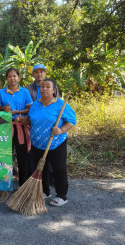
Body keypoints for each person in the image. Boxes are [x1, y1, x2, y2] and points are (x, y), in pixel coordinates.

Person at [19, 78, 76, 206]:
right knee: (40, 169)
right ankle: (45, 191)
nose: (44, 88)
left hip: (56, 143)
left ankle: (62, 195)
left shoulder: (61, 105)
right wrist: (23, 120)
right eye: (42, 86)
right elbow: (30, 120)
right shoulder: (35, 104)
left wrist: (61, 129)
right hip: (37, 143)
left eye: (47, 86)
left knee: (58, 168)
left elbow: (72, 121)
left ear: (54, 89)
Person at [0, 68, 33, 186]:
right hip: (4, 126)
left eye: (14, 76)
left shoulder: (25, 92)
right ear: (6, 78)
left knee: (23, 156)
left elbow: (29, 108)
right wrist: (3, 109)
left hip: (20, 125)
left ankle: (23, 184)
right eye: (9, 76)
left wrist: (17, 112)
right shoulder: (1, 92)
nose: (12, 78)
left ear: (18, 78)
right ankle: (4, 183)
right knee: (4, 154)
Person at [25, 63, 59, 181]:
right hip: (33, 124)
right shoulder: (28, 89)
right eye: (37, 72)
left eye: (42, 71)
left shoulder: (53, 86)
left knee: (51, 151)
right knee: (35, 152)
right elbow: (28, 106)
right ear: (33, 74)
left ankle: (51, 178)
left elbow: (57, 104)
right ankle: (36, 178)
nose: (39, 74)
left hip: (50, 125)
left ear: (45, 73)